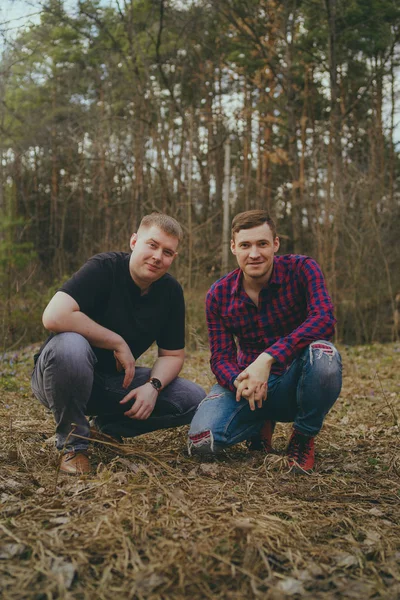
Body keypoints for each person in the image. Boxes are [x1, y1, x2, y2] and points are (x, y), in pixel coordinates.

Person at [32, 213, 206, 475]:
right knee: (70, 345)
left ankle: (105, 428)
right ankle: (74, 446)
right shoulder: (104, 268)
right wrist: (116, 341)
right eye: (152, 245)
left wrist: (153, 387)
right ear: (134, 241)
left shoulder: (170, 292)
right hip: (60, 375)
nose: (158, 256)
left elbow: (172, 355)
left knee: (193, 399)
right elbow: (54, 315)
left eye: (167, 252)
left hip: (112, 383)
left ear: (174, 258)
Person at [188, 210, 342, 472]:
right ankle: (260, 421)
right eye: (246, 245)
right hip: (247, 385)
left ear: (276, 244)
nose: (254, 254)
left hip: (297, 378)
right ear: (234, 247)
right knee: (202, 442)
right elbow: (220, 358)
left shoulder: (303, 269)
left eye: (262, 244)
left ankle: (303, 436)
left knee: (324, 355)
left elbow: (324, 318)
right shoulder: (218, 294)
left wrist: (268, 358)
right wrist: (238, 380)